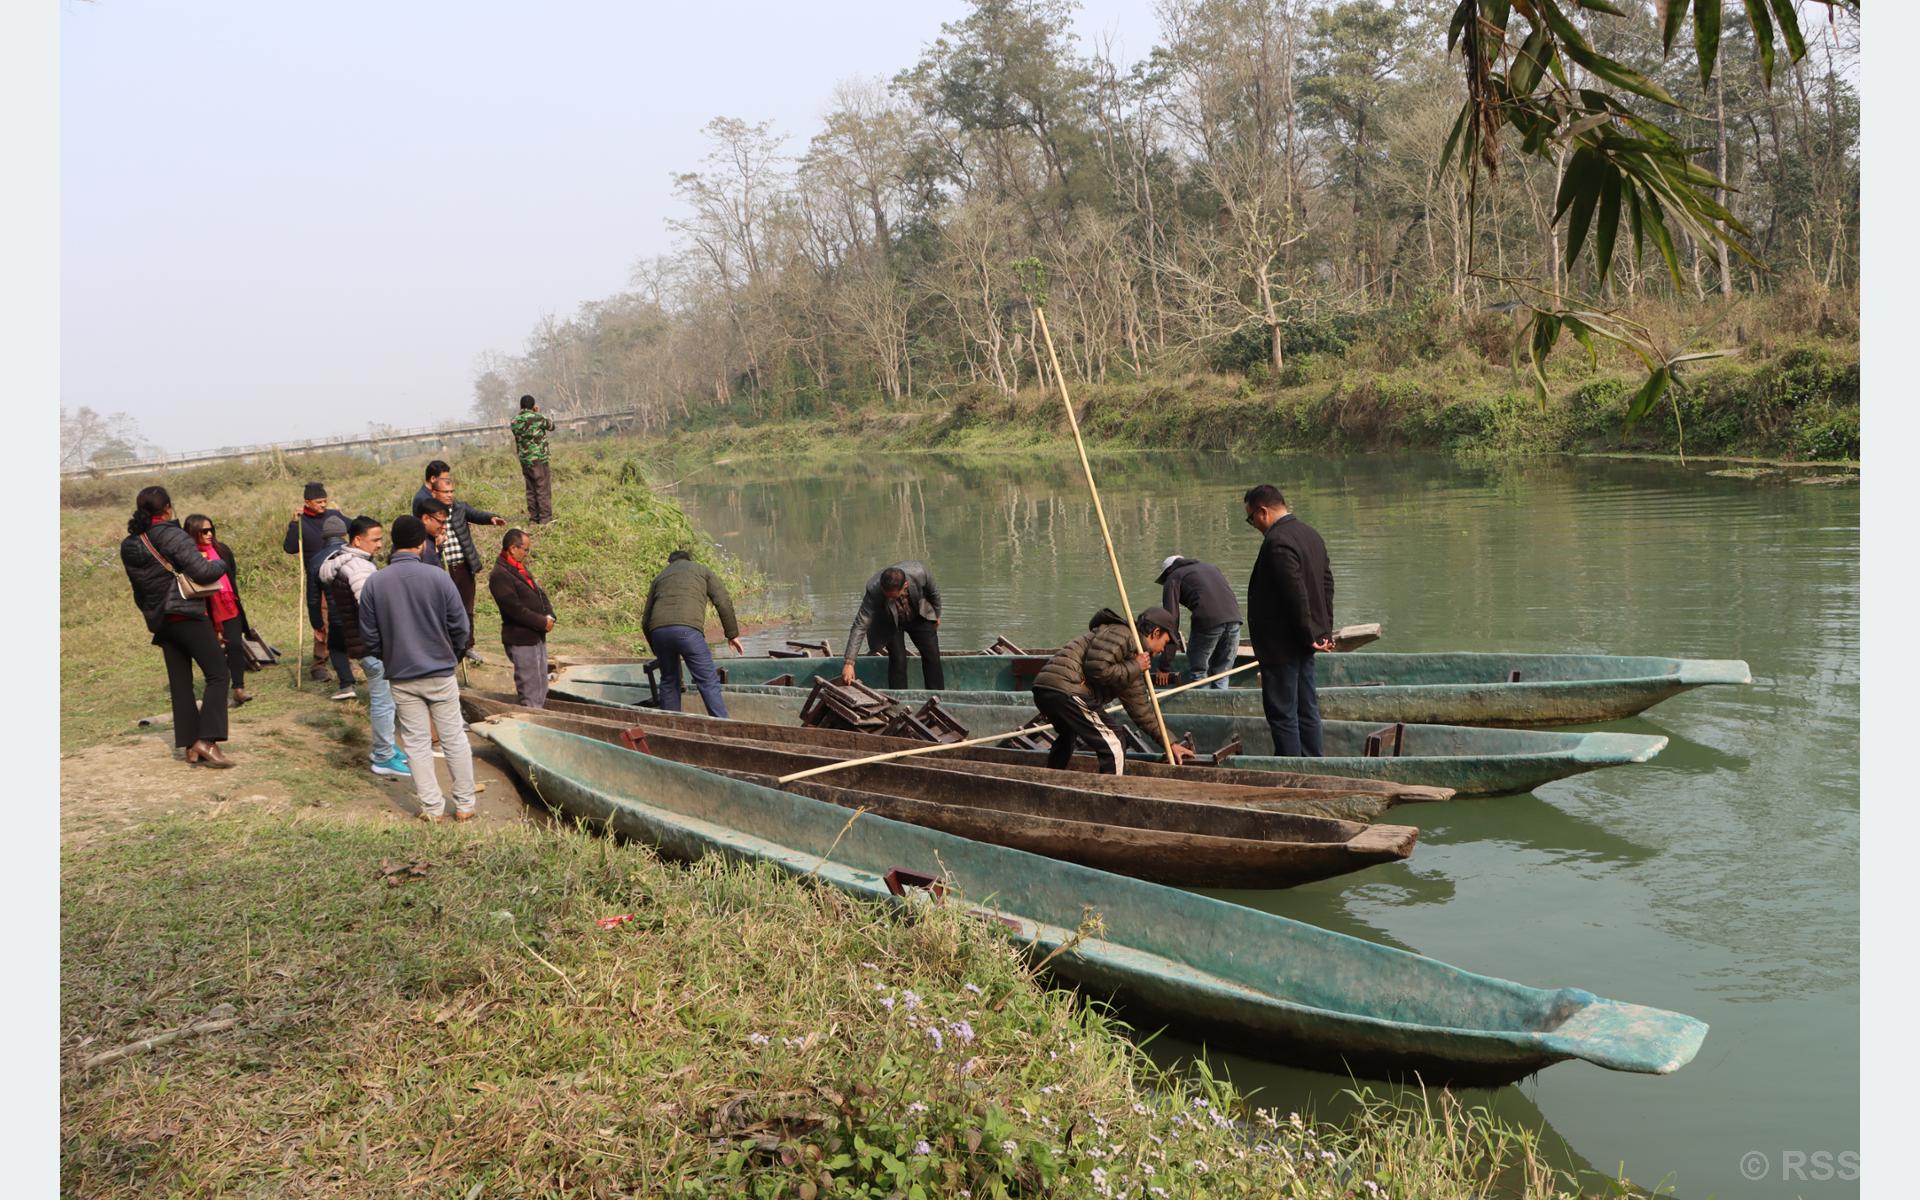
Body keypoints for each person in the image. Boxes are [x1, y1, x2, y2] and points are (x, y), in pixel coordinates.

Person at [359, 515, 475, 821]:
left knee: (416, 743)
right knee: (454, 738)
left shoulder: (375, 583)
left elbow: (369, 637)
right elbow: (460, 626)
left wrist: (391, 657)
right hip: (440, 671)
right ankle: (465, 805)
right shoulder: (438, 577)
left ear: (394, 544)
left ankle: (432, 809)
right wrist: (453, 653)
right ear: (422, 543)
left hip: (401, 675)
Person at [121, 486, 233, 768]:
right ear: (168, 508)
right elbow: (203, 571)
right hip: (185, 615)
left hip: (160, 620)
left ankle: (189, 746)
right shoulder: (172, 535)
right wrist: (222, 561)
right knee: (218, 674)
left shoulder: (130, 544)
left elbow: (139, 589)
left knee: (180, 683)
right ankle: (207, 741)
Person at [1029, 608, 1194, 775]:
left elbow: (1142, 711)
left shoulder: (1133, 659)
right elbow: (1097, 668)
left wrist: (1170, 743)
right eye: (1165, 643)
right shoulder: (1123, 634)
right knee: (1114, 742)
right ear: (1155, 632)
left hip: (1048, 688)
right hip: (1067, 687)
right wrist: (1136, 666)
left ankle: (1051, 780)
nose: (1162, 650)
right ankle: (1110, 795)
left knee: (1068, 735)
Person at [1244, 483, 1335, 757]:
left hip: (1282, 645)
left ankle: (1293, 768)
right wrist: (1322, 632)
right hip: (1305, 642)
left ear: (1263, 512)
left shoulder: (1277, 541)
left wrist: (1309, 633)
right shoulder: (1311, 535)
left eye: (1251, 519)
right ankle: (1313, 762)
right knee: (1306, 708)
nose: (1254, 525)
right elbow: (1326, 585)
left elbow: (1294, 592)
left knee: (1283, 712)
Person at [319, 516, 411, 778]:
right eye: (376, 539)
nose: (381, 545)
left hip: (359, 641)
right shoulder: (359, 569)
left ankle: (386, 748)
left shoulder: (346, 562)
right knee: (383, 702)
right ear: (358, 540)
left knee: (385, 700)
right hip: (371, 645)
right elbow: (371, 607)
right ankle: (383, 756)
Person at [642, 549, 743, 717]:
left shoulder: (659, 578)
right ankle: (722, 725)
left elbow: (645, 620)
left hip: (658, 633)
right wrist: (732, 634)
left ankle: (671, 729)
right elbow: (723, 601)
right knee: (708, 681)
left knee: (668, 681)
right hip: (687, 632)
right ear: (689, 560)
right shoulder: (702, 570)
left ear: (670, 563)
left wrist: (657, 648)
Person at [422, 470, 504, 664]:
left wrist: (491, 518)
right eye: (445, 492)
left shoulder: (460, 508)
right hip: (442, 568)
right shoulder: (427, 514)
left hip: (463, 567)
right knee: (445, 609)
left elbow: (477, 514)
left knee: (466, 608)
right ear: (434, 493)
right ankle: (447, 646)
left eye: (452, 491)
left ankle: (468, 646)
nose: (450, 495)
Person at [184, 514, 255, 706]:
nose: (209, 534)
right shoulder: (187, 555)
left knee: (234, 645)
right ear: (192, 532)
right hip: (203, 608)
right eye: (203, 531)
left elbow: (231, 573)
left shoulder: (222, 550)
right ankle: (216, 689)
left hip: (228, 603)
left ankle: (238, 688)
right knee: (213, 650)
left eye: (211, 530)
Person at [839, 561, 944, 690]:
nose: (890, 599)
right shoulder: (874, 589)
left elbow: (934, 593)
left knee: (932, 654)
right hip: (889, 620)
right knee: (898, 659)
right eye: (886, 596)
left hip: (917, 614)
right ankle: (899, 698)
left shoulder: (920, 572)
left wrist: (937, 615)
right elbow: (860, 625)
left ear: (905, 586)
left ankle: (937, 695)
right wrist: (849, 662)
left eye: (893, 597)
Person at [488, 528, 556, 708]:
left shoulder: (518, 568)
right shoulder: (499, 575)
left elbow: (539, 593)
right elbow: (514, 610)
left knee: (541, 683)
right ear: (512, 548)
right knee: (530, 688)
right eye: (525, 549)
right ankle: (531, 722)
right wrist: (542, 622)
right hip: (521, 638)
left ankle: (539, 718)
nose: (526, 554)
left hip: (536, 635)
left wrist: (549, 615)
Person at [1155, 554, 1245, 689]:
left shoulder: (1173, 578)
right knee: (1222, 673)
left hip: (1208, 621)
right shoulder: (1211, 568)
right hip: (1235, 619)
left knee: (1199, 671)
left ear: (1168, 571)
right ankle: (1219, 705)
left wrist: (1164, 666)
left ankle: (1205, 702)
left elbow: (1171, 622)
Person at [284, 482, 342, 681]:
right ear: (307, 502)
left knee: (345, 619)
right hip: (318, 580)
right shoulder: (301, 522)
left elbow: (355, 528)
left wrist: (341, 515)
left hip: (341, 575)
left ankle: (346, 657)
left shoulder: (333, 515)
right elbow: (290, 548)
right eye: (319, 502)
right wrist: (293, 524)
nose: (323, 505)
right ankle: (319, 664)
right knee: (323, 623)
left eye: (325, 501)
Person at [313, 511, 358, 699]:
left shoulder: (316, 560)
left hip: (335, 612)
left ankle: (347, 684)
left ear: (324, 536)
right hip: (358, 608)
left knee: (336, 645)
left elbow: (313, 597)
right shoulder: (356, 554)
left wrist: (316, 623)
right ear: (343, 534)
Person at [510, 395, 557, 524]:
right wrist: (537, 413)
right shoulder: (538, 418)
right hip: (539, 459)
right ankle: (545, 520)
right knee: (542, 488)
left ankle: (534, 519)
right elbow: (552, 426)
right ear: (533, 406)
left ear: (520, 406)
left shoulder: (514, 421)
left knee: (531, 489)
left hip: (525, 460)